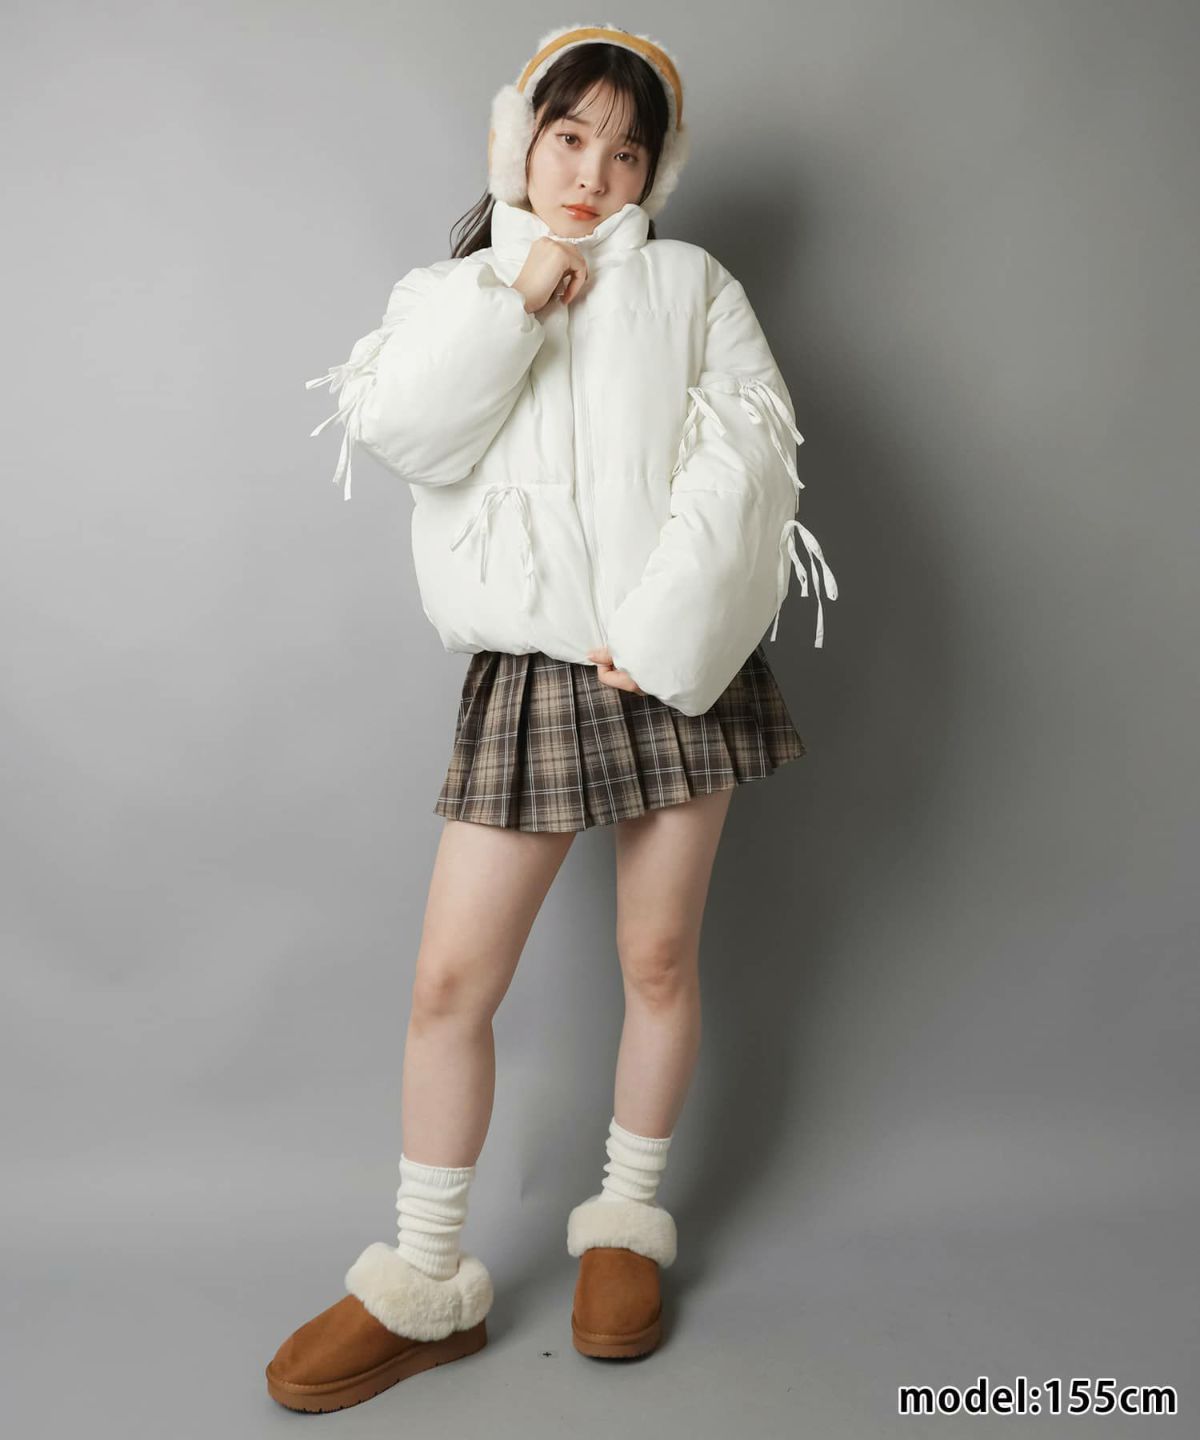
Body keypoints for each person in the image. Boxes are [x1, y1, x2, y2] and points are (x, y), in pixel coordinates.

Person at [267, 22, 838, 1413]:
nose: (593, 172)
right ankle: (424, 1280)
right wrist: (517, 300)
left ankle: (626, 1225)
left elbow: (752, 462)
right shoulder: (449, 292)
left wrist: (664, 636)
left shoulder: (696, 288)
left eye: (627, 152)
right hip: (531, 677)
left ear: (656, 170)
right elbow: (409, 434)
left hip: (673, 666)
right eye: (569, 137)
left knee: (659, 959)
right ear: (518, 139)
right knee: (449, 985)